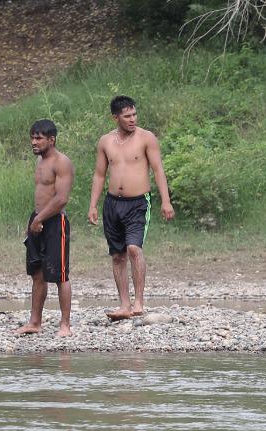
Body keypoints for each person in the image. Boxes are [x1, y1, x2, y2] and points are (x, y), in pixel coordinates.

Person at [88, 95, 175, 320]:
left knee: (134, 249)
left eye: (134, 114)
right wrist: (93, 205)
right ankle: (124, 305)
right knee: (117, 255)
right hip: (112, 203)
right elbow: (99, 174)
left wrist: (166, 201)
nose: (132, 119)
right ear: (115, 117)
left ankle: (139, 301)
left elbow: (158, 170)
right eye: (127, 116)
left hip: (137, 203)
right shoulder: (106, 141)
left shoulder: (147, 138)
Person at [17, 119, 74, 337]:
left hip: (54, 221)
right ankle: (34, 322)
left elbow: (61, 198)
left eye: (39, 138)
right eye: (32, 137)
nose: (34, 142)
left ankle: (65, 325)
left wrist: (39, 218)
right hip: (37, 219)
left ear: (52, 139)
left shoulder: (62, 162)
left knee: (60, 275)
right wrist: (34, 220)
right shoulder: (39, 162)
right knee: (37, 273)